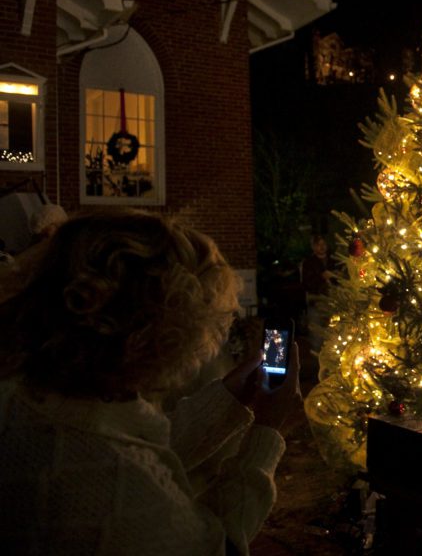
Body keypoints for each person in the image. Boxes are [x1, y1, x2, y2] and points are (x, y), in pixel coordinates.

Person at [0, 208, 302, 554]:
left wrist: (229, 400)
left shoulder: (32, 393)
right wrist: (267, 431)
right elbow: (217, 546)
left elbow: (138, 442)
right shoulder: (123, 491)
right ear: (162, 331)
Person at [301, 234, 337, 352]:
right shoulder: (309, 263)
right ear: (313, 247)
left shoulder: (334, 261)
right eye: (318, 245)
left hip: (332, 301)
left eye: (323, 244)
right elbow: (307, 283)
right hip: (316, 301)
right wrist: (321, 277)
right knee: (316, 333)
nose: (321, 247)